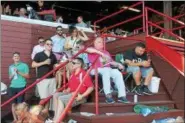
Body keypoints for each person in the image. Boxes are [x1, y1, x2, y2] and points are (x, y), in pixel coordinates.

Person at [86, 37, 129, 104]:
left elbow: (111, 62)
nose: (102, 43)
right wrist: (100, 53)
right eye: (99, 42)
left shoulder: (106, 52)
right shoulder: (92, 49)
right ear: (94, 44)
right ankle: (108, 95)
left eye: (102, 41)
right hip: (95, 69)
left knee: (117, 73)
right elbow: (87, 49)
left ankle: (122, 96)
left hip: (107, 69)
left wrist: (118, 64)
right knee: (106, 71)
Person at [52, 58, 94, 122]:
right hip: (71, 94)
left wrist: (82, 96)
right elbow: (70, 87)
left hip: (79, 96)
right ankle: (56, 117)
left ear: (79, 65)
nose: (72, 64)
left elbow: (91, 87)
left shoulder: (83, 74)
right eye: (72, 62)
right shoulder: (72, 74)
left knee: (61, 98)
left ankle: (57, 121)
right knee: (55, 95)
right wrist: (67, 90)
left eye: (74, 63)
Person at [32, 39, 57, 113]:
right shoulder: (39, 54)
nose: (49, 46)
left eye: (51, 44)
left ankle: (46, 112)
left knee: (49, 97)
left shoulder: (53, 55)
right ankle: (37, 112)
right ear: (45, 45)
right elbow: (33, 64)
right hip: (42, 78)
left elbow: (55, 65)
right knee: (43, 97)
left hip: (52, 78)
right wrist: (44, 62)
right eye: (48, 44)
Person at [8, 52, 30, 122]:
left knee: (20, 104)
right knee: (13, 104)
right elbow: (10, 78)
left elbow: (28, 76)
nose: (16, 57)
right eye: (15, 56)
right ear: (13, 58)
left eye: (17, 56)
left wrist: (18, 72)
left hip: (21, 85)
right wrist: (12, 74)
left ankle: (20, 119)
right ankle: (15, 119)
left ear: (19, 57)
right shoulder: (10, 67)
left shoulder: (24, 65)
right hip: (12, 86)